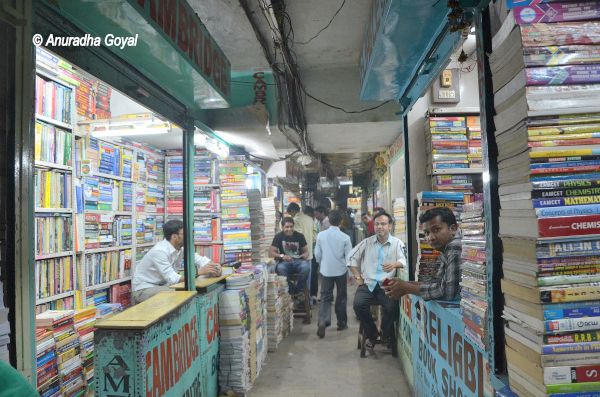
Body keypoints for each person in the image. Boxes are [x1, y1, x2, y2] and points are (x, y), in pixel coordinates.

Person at [348, 211, 407, 350]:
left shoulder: (397, 243)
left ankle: (385, 335)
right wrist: (358, 277)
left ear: (390, 226)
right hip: (368, 283)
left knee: (392, 307)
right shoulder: (366, 243)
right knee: (358, 305)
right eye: (377, 224)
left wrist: (395, 264)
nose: (380, 227)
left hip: (386, 285)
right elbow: (351, 259)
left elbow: (403, 260)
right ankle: (372, 334)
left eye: (383, 224)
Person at [132, 219, 222, 304]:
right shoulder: (159, 251)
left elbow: (200, 260)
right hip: (144, 289)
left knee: (196, 289)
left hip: (164, 286)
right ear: (174, 237)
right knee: (181, 295)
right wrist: (198, 272)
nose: (189, 236)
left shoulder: (181, 248)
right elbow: (173, 279)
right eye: (184, 234)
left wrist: (215, 267)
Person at [384, 207, 461, 301]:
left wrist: (406, 287)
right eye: (427, 233)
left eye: (436, 230)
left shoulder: (455, 246)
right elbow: (437, 283)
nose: (430, 237)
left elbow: (447, 292)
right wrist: (404, 285)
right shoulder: (445, 249)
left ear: (453, 228)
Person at [314, 210, 352, 338]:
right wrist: (351, 274)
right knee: (341, 297)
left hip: (326, 270)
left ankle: (323, 320)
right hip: (341, 270)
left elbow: (317, 254)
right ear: (340, 221)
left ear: (329, 221)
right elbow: (349, 257)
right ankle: (341, 322)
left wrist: (321, 263)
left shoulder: (321, 235)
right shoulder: (345, 238)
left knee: (325, 296)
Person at [269, 217, 311, 298]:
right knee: (280, 268)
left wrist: (304, 255)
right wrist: (282, 256)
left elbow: (306, 251)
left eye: (291, 226)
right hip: (284, 263)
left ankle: (297, 290)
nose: (289, 229)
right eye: (287, 227)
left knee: (306, 267)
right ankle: (294, 291)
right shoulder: (278, 236)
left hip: (298, 261)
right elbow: (271, 253)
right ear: (282, 227)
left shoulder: (300, 236)